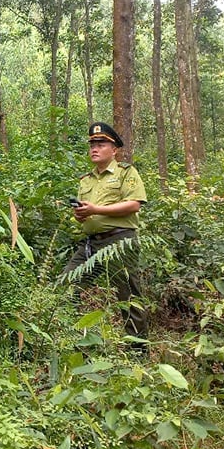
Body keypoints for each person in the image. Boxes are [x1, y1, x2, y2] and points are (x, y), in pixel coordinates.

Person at [65, 121, 149, 340]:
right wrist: (81, 214)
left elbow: (134, 204)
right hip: (91, 244)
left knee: (128, 297)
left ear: (114, 149)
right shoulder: (86, 180)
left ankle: (137, 350)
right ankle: (72, 341)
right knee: (67, 286)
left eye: (101, 143)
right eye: (92, 143)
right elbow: (88, 211)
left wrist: (96, 209)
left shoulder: (125, 173)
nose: (95, 147)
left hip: (120, 241)